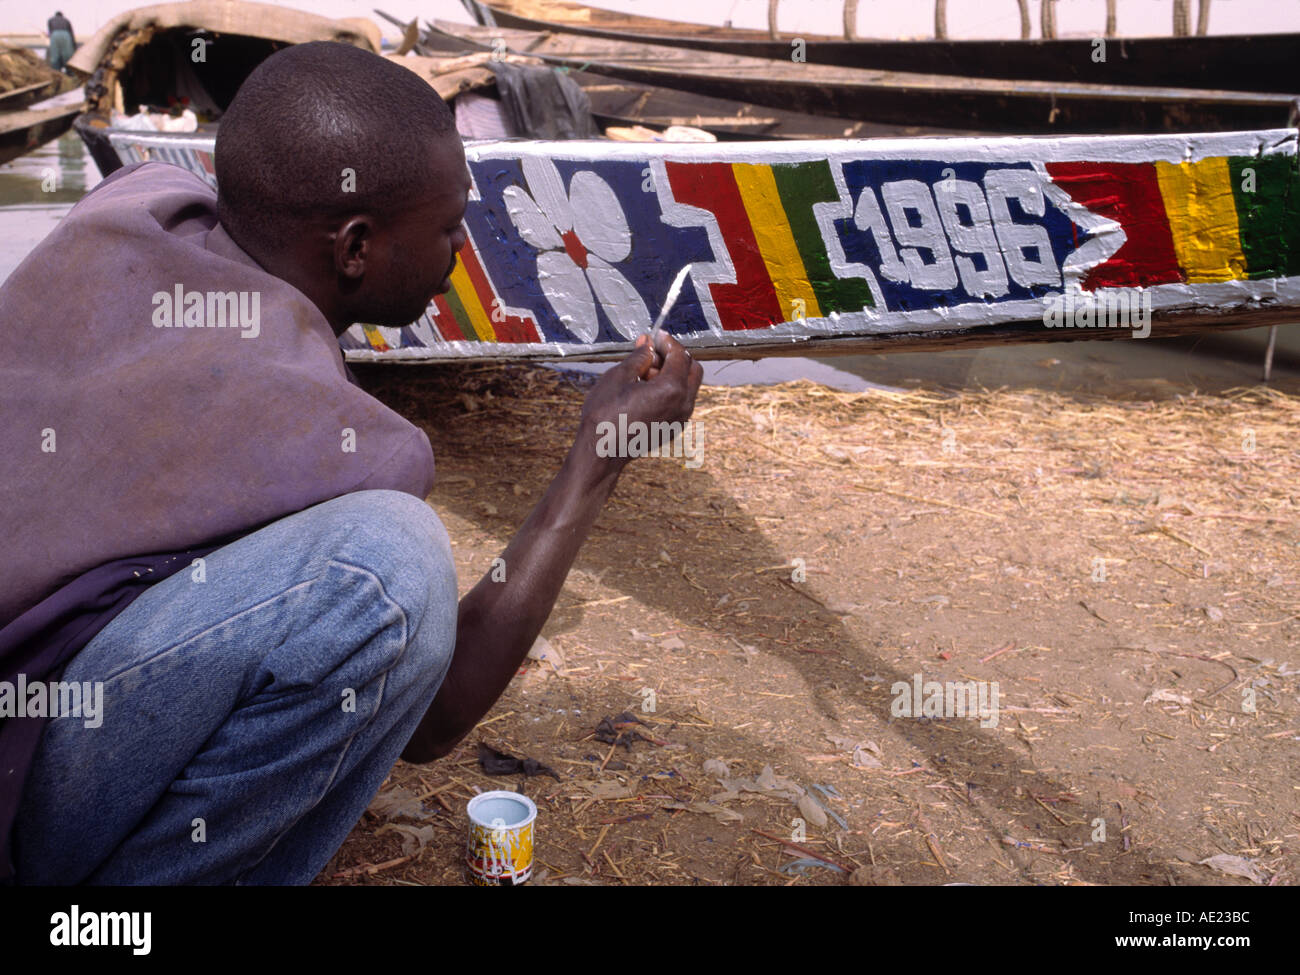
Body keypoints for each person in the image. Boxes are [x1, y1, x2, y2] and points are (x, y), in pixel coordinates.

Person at [0, 41, 702, 884]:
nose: (458, 255)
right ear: (357, 248)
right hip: (22, 791)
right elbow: (435, 722)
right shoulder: (333, 435)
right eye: (447, 228)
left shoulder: (139, 201)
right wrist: (597, 453)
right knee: (384, 565)